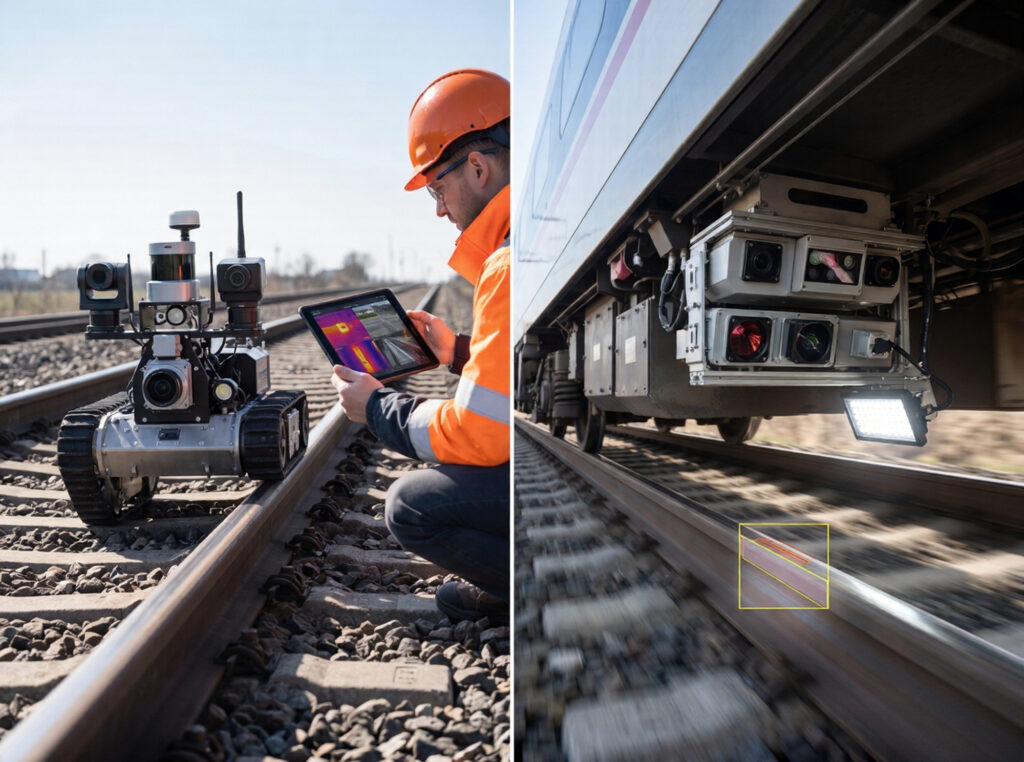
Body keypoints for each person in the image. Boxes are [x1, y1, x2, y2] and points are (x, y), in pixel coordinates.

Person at [331, 69, 510, 622]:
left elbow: (483, 435)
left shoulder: (508, 262)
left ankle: (540, 589)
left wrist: (379, 408)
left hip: (553, 479)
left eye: (437, 187)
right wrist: (456, 352)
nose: (437, 208)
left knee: (410, 506)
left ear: (477, 168)